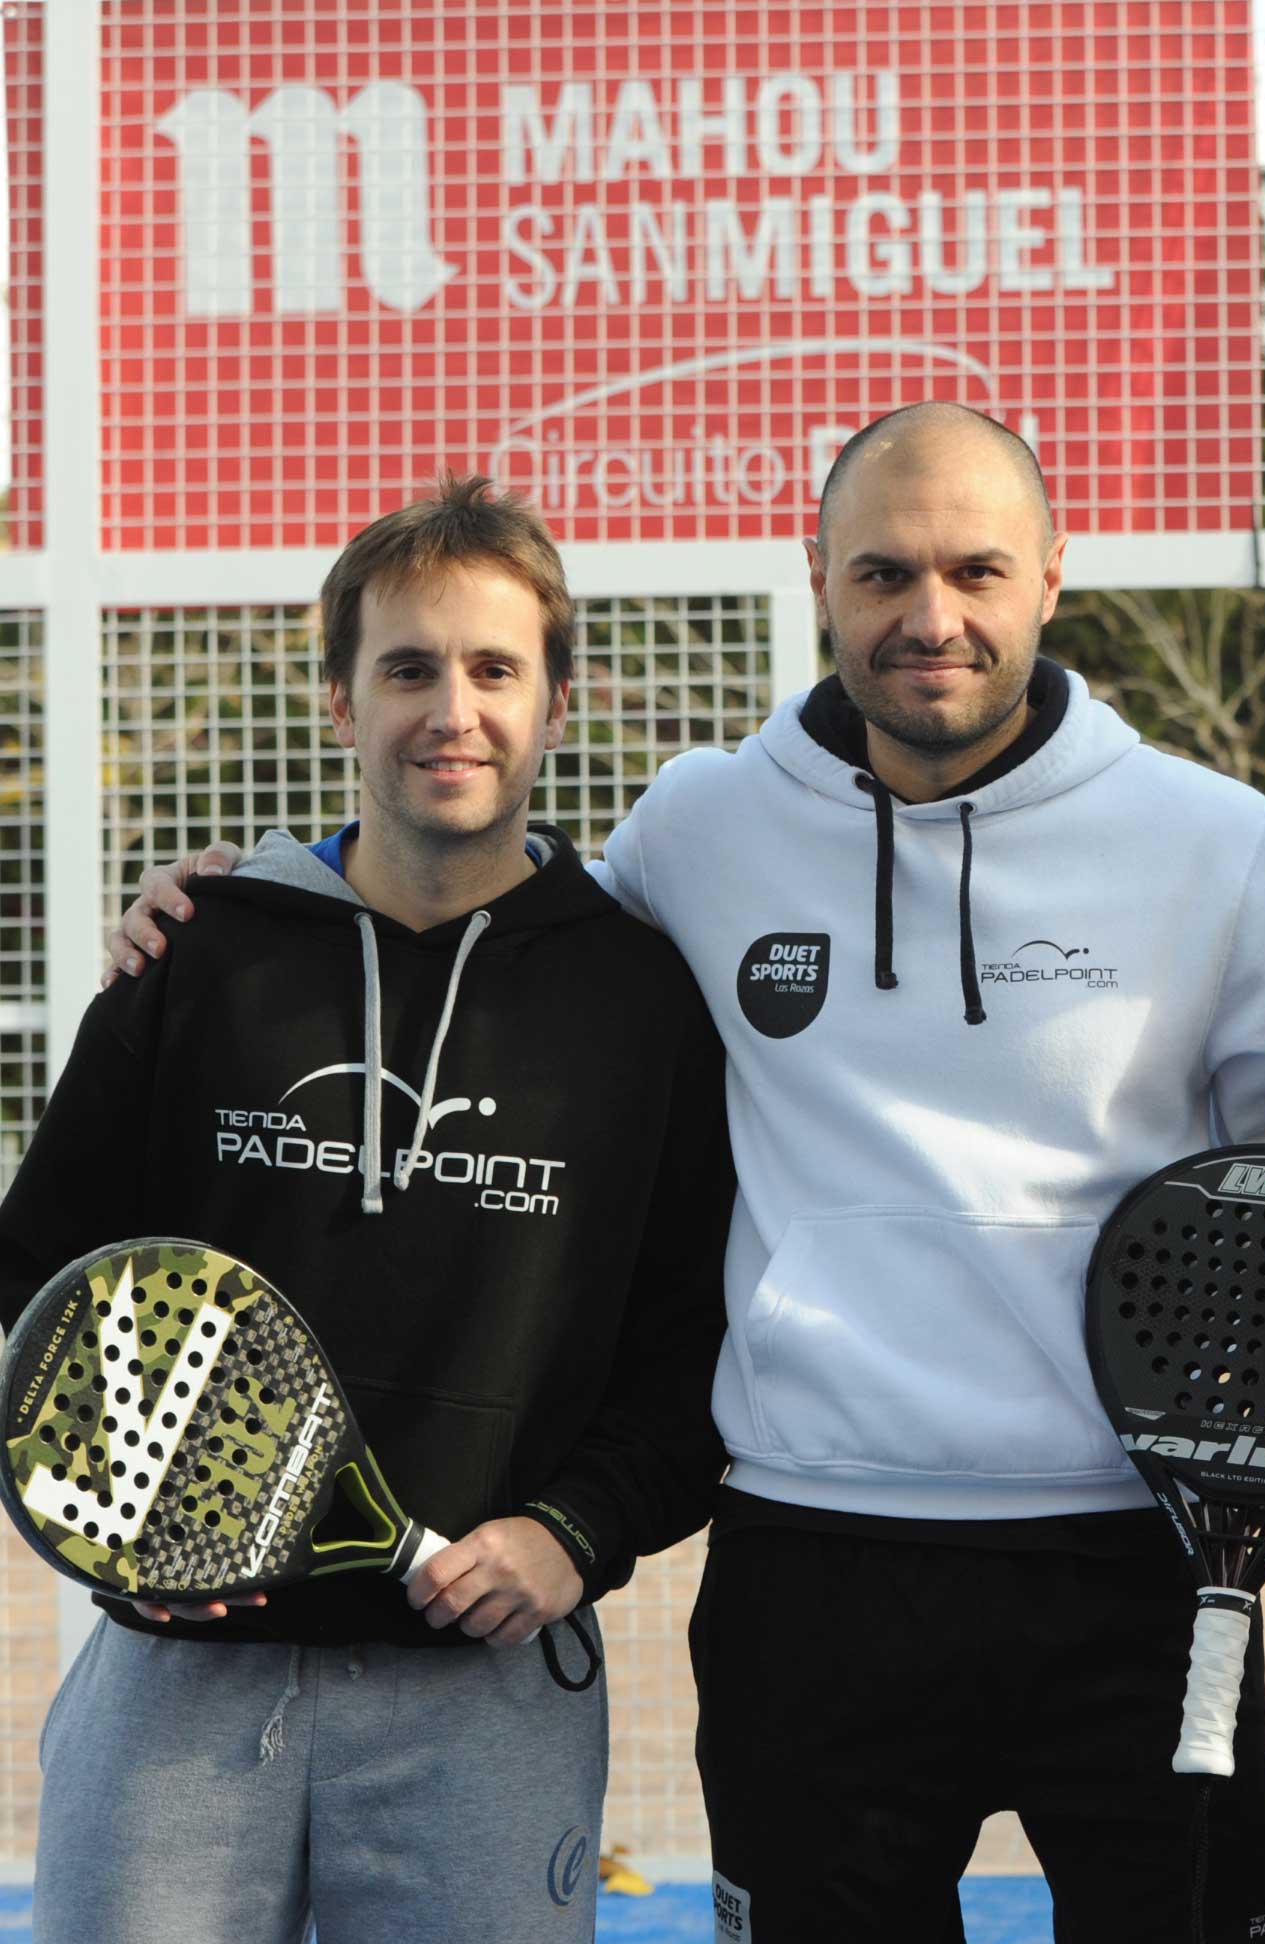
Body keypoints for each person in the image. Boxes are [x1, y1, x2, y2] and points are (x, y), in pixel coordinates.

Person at [114, 401, 1265, 1940]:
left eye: (976, 570)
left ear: (1052, 574)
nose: (931, 616)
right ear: (817, 580)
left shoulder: (1215, 844)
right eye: (883, 572)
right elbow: (494, 928)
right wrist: (250, 904)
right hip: (809, 1563)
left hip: (1141, 1562)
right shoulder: (701, 828)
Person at [2, 476, 734, 1944]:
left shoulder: (646, 999)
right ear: (339, 700)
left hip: (489, 1691)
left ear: (558, 702)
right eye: (408, 669)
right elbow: (45, 1291)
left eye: (494, 669)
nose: (452, 712)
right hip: (177, 1683)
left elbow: (696, 1345)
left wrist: (575, 1532)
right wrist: (126, 1523)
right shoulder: (198, 957)